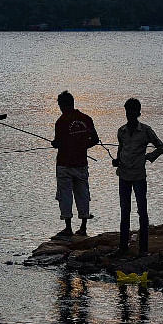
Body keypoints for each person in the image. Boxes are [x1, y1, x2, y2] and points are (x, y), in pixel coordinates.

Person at [112, 98, 163, 255]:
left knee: (142, 211)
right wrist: (117, 161)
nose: (130, 114)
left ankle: (143, 249)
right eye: (128, 111)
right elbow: (120, 150)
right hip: (123, 175)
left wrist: (148, 157)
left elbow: (161, 147)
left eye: (133, 111)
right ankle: (123, 248)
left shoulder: (146, 130)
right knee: (125, 211)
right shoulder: (121, 131)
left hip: (138, 177)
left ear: (138, 113)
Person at [52, 90, 99, 239]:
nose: (60, 108)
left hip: (64, 164)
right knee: (83, 194)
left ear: (64, 105)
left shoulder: (61, 122)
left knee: (65, 196)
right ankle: (83, 228)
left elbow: (58, 142)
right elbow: (95, 139)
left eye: (60, 105)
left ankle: (68, 229)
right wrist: (83, 147)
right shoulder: (86, 119)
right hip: (81, 164)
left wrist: (55, 144)